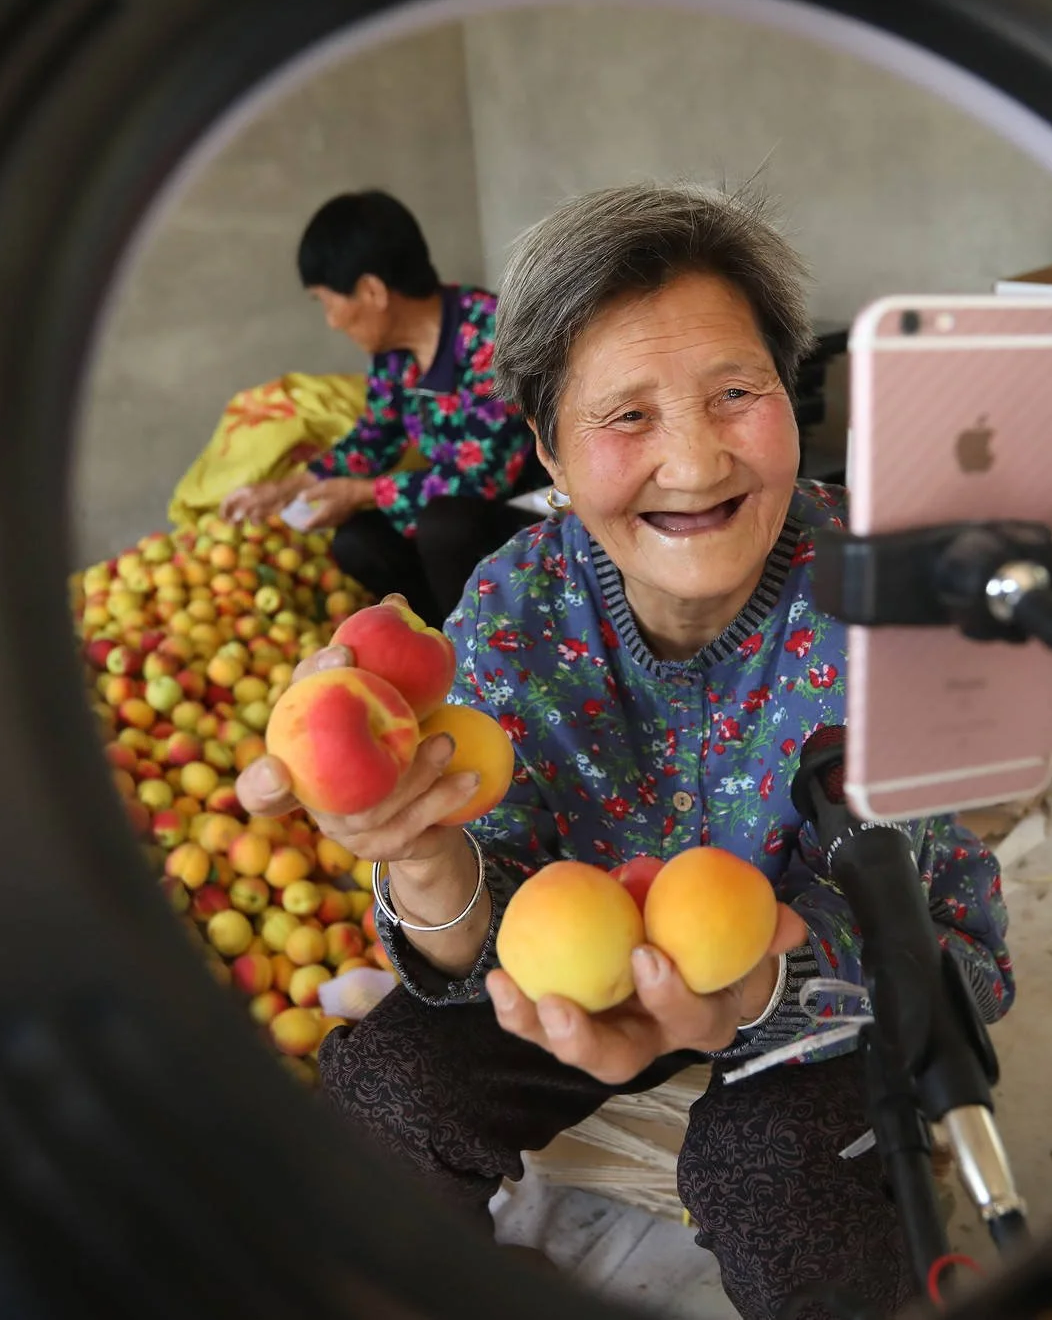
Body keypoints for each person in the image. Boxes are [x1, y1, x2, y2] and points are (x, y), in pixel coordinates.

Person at [236, 184, 1012, 1319]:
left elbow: (929, 930)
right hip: (576, 967)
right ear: (547, 448)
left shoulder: (885, 592)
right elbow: (481, 929)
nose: (694, 464)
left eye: (733, 393)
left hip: (827, 991)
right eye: (627, 416)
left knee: (771, 1177)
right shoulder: (511, 607)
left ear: (790, 401)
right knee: (379, 1090)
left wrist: (759, 990)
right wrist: (425, 860)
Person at [221, 191, 537, 626]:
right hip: (450, 514)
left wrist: (362, 492)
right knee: (357, 538)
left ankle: (478, 656)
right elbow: (374, 437)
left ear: (372, 291)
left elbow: (482, 478)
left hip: (525, 506)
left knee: (444, 526)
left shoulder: (488, 335)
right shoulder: (394, 355)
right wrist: (287, 488)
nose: (332, 321)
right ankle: (434, 634)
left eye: (329, 303)